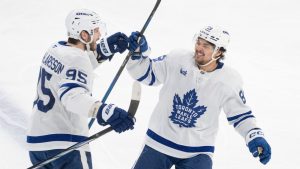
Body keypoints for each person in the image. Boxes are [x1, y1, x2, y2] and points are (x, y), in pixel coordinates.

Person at [126, 26, 271, 169]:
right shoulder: (177, 59)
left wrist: (254, 136)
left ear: (219, 52)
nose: (199, 48)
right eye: (198, 42)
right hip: (159, 142)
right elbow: (145, 73)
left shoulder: (229, 80)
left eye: (206, 46)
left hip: (197, 152)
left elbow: (241, 115)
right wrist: (138, 52)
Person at [27, 9, 135, 169]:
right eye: (95, 30)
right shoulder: (78, 59)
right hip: (65, 144)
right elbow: (72, 96)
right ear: (84, 35)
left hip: (37, 143)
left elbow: (72, 70)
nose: (99, 34)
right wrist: (104, 111)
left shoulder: (56, 49)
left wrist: (103, 50)